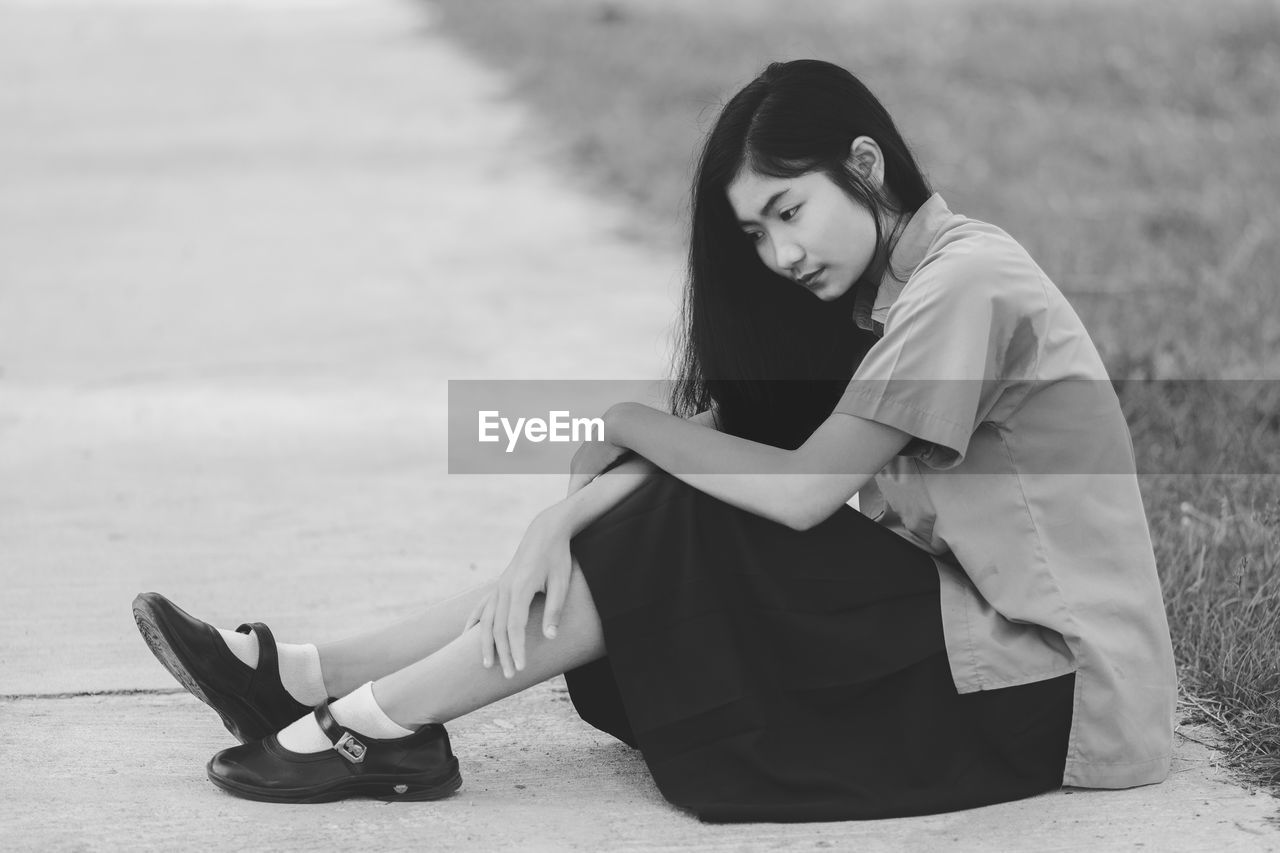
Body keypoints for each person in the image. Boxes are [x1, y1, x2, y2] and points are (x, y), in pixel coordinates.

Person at [132, 59, 1177, 820]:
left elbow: (799, 492)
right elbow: (737, 435)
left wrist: (627, 426)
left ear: (864, 163)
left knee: (685, 517)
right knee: (666, 501)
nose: (776, 253)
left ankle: (377, 719)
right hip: (971, 645)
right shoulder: (893, 291)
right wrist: (562, 513)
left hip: (1053, 684)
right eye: (752, 234)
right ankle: (318, 678)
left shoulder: (965, 286)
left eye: (786, 210)